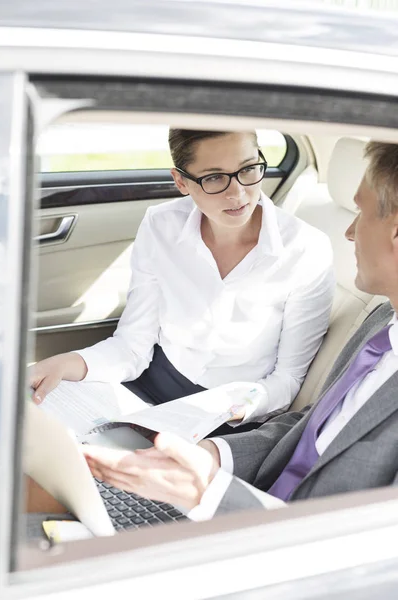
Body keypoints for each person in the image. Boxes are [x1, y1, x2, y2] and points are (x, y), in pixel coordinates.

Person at [81, 140, 398, 519]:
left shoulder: (307, 252)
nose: (348, 232)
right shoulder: (383, 325)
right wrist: (211, 456)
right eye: (215, 177)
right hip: (238, 485)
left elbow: (373, 550)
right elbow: (310, 427)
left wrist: (208, 493)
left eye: (359, 213)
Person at [30, 130, 333, 427]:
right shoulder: (161, 225)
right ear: (181, 181)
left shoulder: (307, 249)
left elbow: (288, 379)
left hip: (228, 417)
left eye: (248, 169)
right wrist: (66, 363)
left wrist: (232, 407)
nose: (237, 192)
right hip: (148, 384)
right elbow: (132, 346)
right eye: (214, 177)